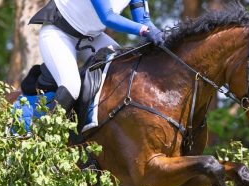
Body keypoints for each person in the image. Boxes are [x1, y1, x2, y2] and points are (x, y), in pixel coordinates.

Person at [29, 0, 164, 113]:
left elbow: (143, 20)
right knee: (72, 86)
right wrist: (145, 31)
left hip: (92, 37)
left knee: (124, 69)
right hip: (58, 32)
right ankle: (42, 135)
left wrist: (161, 35)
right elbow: (108, 17)